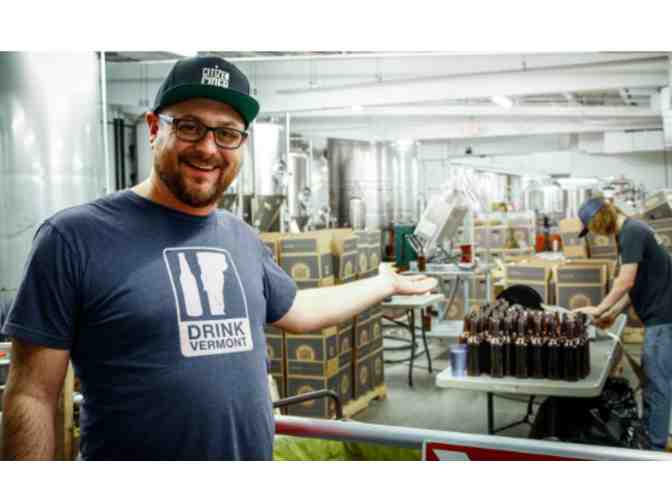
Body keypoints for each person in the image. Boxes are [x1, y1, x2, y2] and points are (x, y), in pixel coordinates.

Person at [0, 56, 437, 461]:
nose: (209, 148)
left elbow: (300, 309)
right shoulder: (74, 238)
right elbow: (32, 395)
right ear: (153, 128)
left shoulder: (241, 237)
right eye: (189, 126)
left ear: (241, 143)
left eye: (226, 133)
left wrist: (385, 283)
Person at [573, 197, 672, 451]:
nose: (595, 235)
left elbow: (625, 281)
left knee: (657, 385)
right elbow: (636, 285)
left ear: (599, 219)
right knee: (652, 381)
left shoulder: (631, 232)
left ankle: (654, 448)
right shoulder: (629, 231)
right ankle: (652, 436)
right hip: (660, 316)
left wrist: (599, 308)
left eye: (592, 228)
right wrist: (614, 312)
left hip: (663, 318)